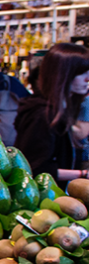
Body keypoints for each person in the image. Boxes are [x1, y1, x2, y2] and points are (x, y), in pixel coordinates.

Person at [14, 43, 89, 181]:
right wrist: (82, 174)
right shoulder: (41, 114)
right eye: (81, 73)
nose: (87, 79)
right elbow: (35, 168)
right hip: (45, 196)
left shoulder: (60, 108)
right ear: (63, 74)